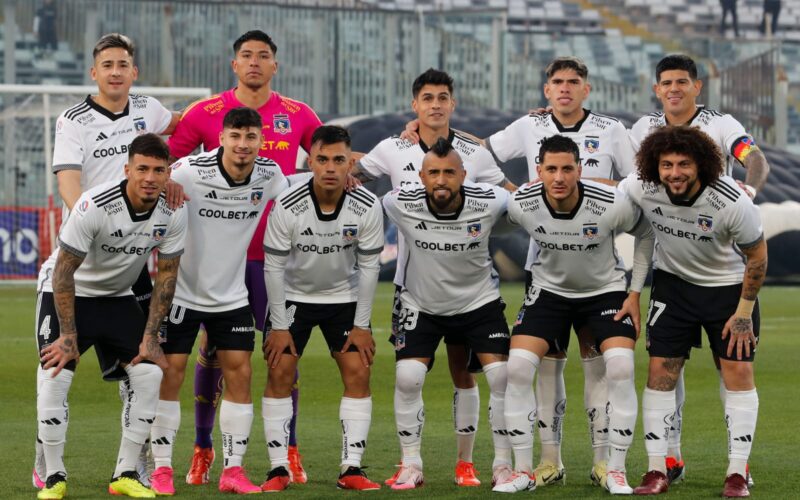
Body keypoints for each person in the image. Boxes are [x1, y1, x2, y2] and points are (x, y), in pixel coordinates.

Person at [167, 30, 322, 485]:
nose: (255, 62)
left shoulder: (298, 114)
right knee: (213, 352)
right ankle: (202, 448)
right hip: (216, 257)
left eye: (264, 56)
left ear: (276, 65)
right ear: (234, 64)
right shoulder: (204, 113)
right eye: (246, 56)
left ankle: (287, 448)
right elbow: (165, 165)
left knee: (281, 353)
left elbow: (326, 157)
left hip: (276, 256)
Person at [353, 68, 514, 487]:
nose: (436, 104)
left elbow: (511, 198)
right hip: (415, 289)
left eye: (443, 97)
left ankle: (474, 464)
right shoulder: (391, 147)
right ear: (415, 105)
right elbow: (353, 174)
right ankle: (411, 464)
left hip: (474, 287)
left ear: (452, 104)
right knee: (408, 377)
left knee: (472, 375)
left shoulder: (475, 154)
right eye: (428, 98)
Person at [33, 32, 180, 491]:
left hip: (128, 263)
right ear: (94, 72)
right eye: (107, 65)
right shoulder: (73, 120)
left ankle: (129, 468)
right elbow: (69, 185)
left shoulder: (149, 109)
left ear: (134, 73)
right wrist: (99, 223)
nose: (116, 72)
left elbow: (190, 125)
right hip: (86, 248)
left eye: (124, 65)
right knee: (56, 368)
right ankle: (48, 466)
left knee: (142, 369)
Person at [484, 56, 637, 487]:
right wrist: (514, 190)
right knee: (546, 364)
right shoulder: (529, 126)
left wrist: (606, 188)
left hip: (598, 268)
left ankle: (604, 461)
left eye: (574, 82)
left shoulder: (610, 129)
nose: (566, 88)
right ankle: (548, 462)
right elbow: (481, 153)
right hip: (545, 269)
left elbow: (638, 178)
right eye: (557, 82)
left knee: (599, 365)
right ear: (546, 90)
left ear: (586, 89)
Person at [148, 108, 310, 495]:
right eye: (235, 136)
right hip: (183, 293)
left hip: (232, 297)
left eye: (250, 137)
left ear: (260, 141)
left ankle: (232, 471)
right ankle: (162, 470)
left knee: (241, 376)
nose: (242, 144)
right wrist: (168, 180)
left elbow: (300, 188)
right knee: (169, 376)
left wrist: (346, 179)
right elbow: (156, 182)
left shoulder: (269, 175)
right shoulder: (188, 171)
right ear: (221, 138)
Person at [629, 53, 770, 486]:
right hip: (674, 277)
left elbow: (755, 158)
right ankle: (664, 461)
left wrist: (749, 188)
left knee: (735, 370)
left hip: (726, 272)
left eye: (682, 82)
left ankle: (737, 469)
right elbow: (634, 193)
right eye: (666, 82)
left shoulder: (723, 126)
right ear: (657, 89)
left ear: (696, 87)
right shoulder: (642, 131)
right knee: (663, 369)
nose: (674, 88)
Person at [498, 135, 653, 494]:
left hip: (604, 292)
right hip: (549, 293)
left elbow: (645, 233)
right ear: (538, 171)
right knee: (518, 367)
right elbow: (488, 223)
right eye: (550, 168)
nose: (559, 177)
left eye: (567, 168)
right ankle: (525, 470)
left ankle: (612, 469)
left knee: (620, 366)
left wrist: (634, 292)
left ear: (580, 170)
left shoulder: (611, 202)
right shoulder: (522, 203)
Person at [382, 138, 512, 490]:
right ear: (421, 177)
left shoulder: (491, 199)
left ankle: (497, 465)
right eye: (434, 173)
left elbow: (528, 201)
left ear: (464, 175)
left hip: (478, 303)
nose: (441, 180)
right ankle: (411, 465)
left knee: (501, 377)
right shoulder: (399, 201)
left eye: (449, 173)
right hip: (421, 304)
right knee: (408, 377)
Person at [260, 126, 384, 492]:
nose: (331, 167)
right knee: (279, 374)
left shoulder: (367, 205)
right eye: (323, 159)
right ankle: (278, 469)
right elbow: (273, 268)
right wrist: (280, 326)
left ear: (351, 163)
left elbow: (370, 268)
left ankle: (352, 469)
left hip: (343, 300)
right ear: (310, 161)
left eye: (339, 160)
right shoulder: (287, 203)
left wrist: (362, 325)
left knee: (358, 372)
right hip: (293, 298)